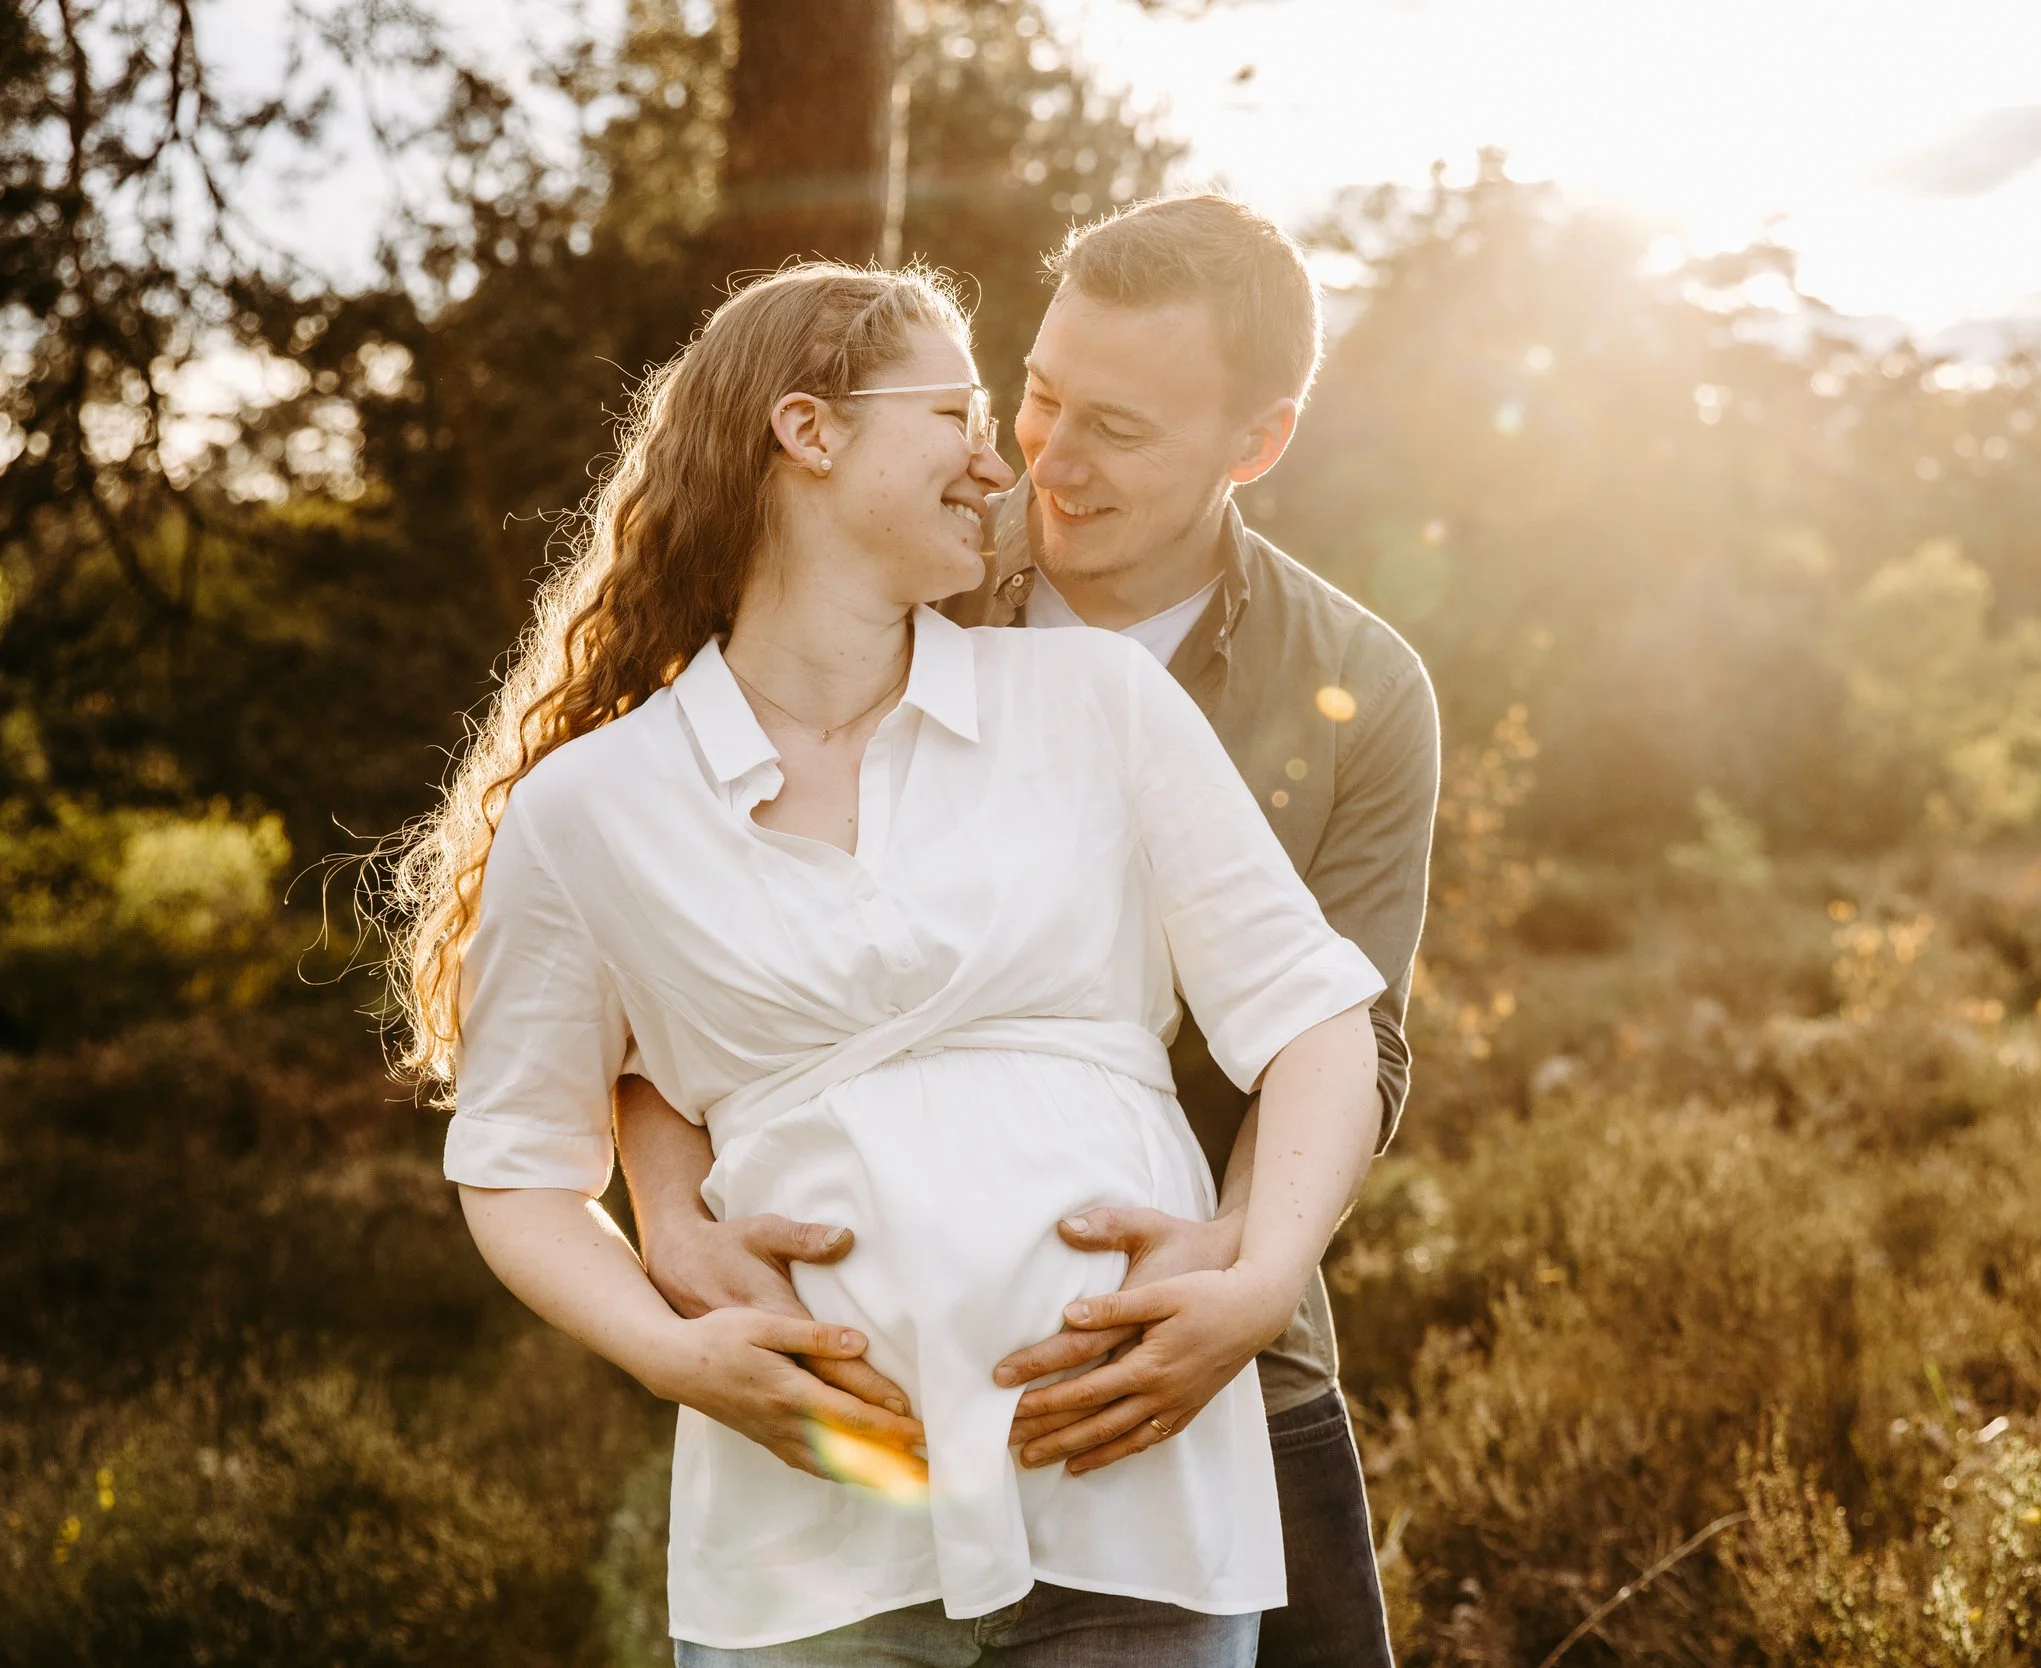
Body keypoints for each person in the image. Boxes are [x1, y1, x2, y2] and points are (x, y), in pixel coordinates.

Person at [386, 261, 1389, 1663]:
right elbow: (518, 1168)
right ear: (810, 433)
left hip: (1133, 1504)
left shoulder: (1100, 706)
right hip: (815, 1549)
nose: (1000, 465)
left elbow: (1320, 1024)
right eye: (962, 414)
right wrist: (676, 1354)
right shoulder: (594, 809)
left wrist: (1260, 1277)